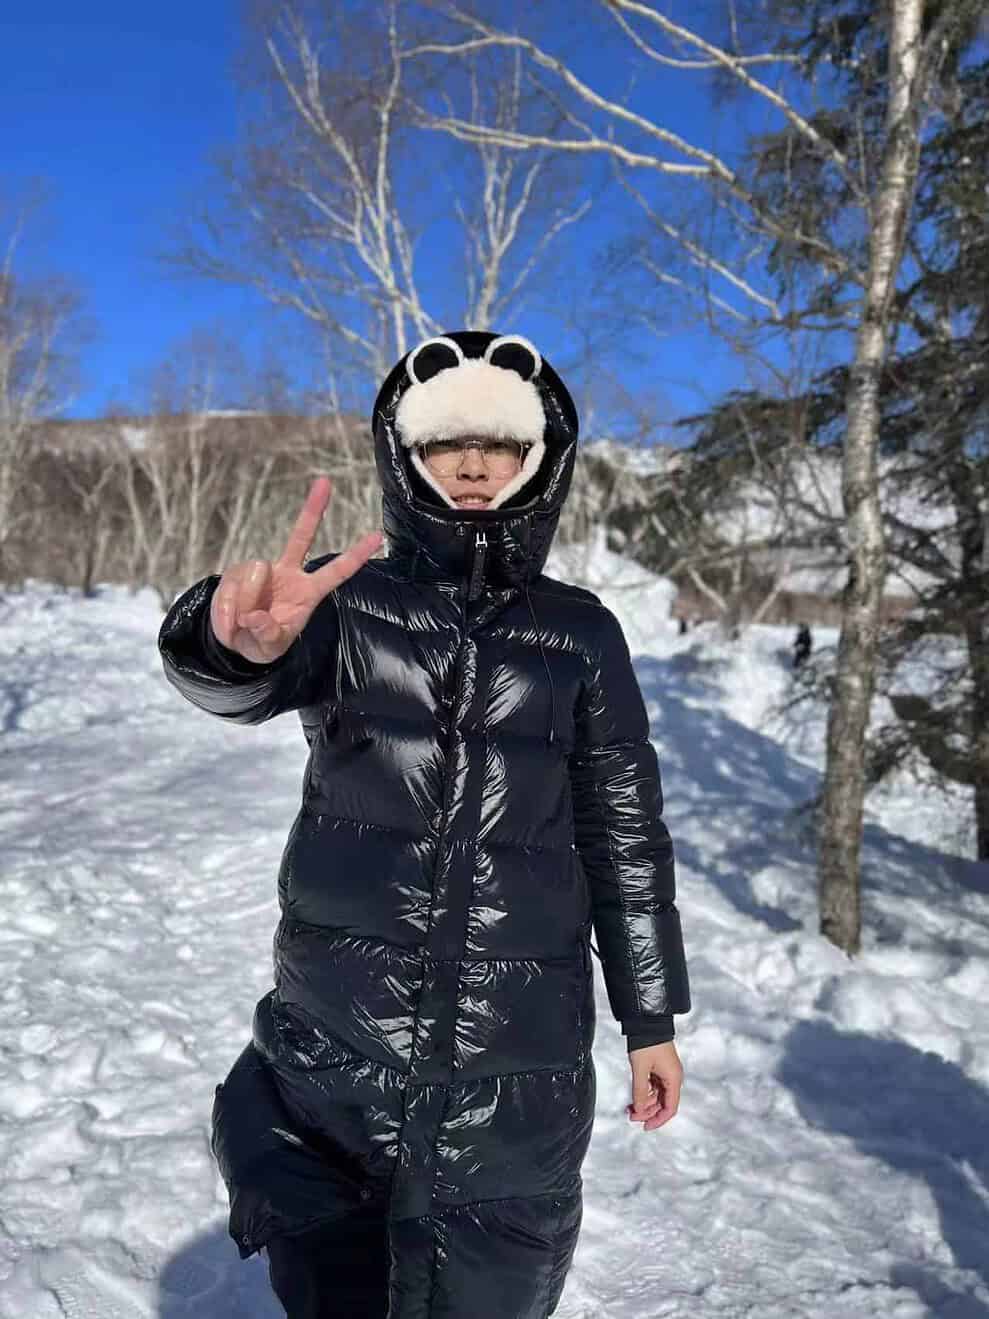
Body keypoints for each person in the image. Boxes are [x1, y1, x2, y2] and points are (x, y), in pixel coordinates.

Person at [158, 331, 691, 1319]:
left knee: (490, 1293)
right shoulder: (345, 599)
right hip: (341, 1044)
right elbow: (238, 675)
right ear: (406, 456)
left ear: (540, 460)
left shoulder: (582, 633)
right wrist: (229, 644)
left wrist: (649, 1019)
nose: (474, 465)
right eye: (448, 443)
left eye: (500, 444)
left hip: (514, 1068)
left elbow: (624, 833)